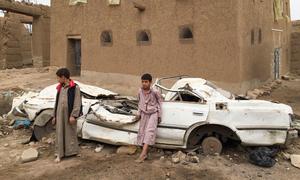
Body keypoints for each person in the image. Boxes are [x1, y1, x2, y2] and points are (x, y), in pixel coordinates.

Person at [52, 68, 82, 163]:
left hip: (69, 114)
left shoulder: (75, 87)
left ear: (63, 77)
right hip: (60, 114)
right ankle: (59, 154)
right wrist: (54, 115)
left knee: (70, 132)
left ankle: (73, 151)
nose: (57, 80)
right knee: (60, 133)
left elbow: (77, 102)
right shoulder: (60, 87)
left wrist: (73, 115)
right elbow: (56, 102)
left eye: (58, 78)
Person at [135, 73, 162, 163]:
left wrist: (159, 115)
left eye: (146, 82)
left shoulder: (155, 92)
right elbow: (140, 103)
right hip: (144, 113)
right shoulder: (140, 91)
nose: (144, 83)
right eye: (142, 82)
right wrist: (138, 113)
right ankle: (145, 153)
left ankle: (142, 154)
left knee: (149, 132)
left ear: (150, 82)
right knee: (142, 131)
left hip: (153, 113)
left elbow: (160, 103)